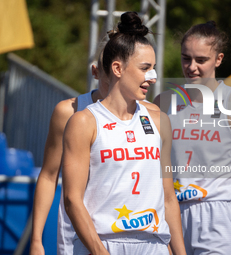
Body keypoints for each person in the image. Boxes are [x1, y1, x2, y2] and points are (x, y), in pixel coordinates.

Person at [61, 12, 186, 255]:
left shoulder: (159, 121)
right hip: (101, 243)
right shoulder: (84, 122)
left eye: (154, 68)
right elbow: (72, 200)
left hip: (153, 245)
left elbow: (169, 198)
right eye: (145, 68)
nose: (153, 77)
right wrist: (99, 251)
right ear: (117, 68)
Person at [29, 44, 160, 254]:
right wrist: (36, 240)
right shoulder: (70, 111)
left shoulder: (149, 114)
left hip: (136, 235)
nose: (112, 86)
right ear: (97, 72)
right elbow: (48, 175)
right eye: (106, 77)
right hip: (80, 235)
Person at [154, 21, 231, 255]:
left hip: (221, 219)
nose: (191, 67)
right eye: (186, 58)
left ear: (218, 59)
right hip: (172, 216)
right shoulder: (162, 104)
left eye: (201, 60)